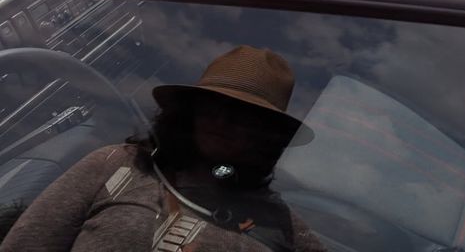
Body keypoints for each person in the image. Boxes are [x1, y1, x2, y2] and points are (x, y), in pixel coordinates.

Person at [0, 46, 325, 252]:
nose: (224, 122)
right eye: (213, 107)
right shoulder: (115, 167)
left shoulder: (280, 225)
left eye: (245, 117)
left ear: (266, 135)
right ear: (189, 112)